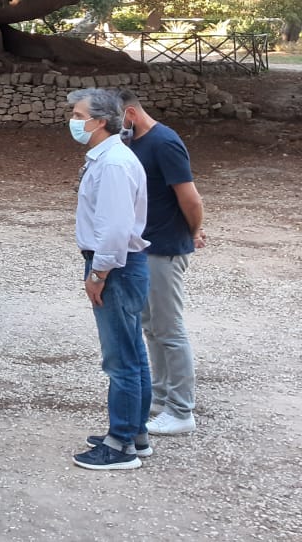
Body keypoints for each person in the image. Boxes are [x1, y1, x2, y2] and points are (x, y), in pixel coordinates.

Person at [67, 87, 151, 471]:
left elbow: (115, 228)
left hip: (115, 268)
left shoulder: (114, 163)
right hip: (122, 265)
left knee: (120, 358)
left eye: (79, 115)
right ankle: (134, 433)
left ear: (100, 122)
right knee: (131, 351)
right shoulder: (109, 157)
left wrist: (98, 272)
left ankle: (120, 446)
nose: (73, 121)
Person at [119, 89, 205, 438]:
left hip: (165, 248)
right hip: (145, 248)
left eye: (115, 120)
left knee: (169, 330)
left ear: (130, 113)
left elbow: (190, 198)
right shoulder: (133, 143)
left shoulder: (164, 142)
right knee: (151, 326)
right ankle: (161, 395)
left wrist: (194, 232)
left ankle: (181, 409)